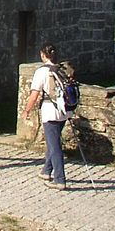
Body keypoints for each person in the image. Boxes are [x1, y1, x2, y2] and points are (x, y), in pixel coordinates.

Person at [23, 42, 70, 190]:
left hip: (51, 111)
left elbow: (34, 94)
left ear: (43, 55)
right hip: (65, 110)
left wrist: (27, 110)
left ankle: (60, 179)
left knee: (54, 146)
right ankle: (46, 171)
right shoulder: (61, 68)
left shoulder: (42, 72)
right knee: (53, 141)